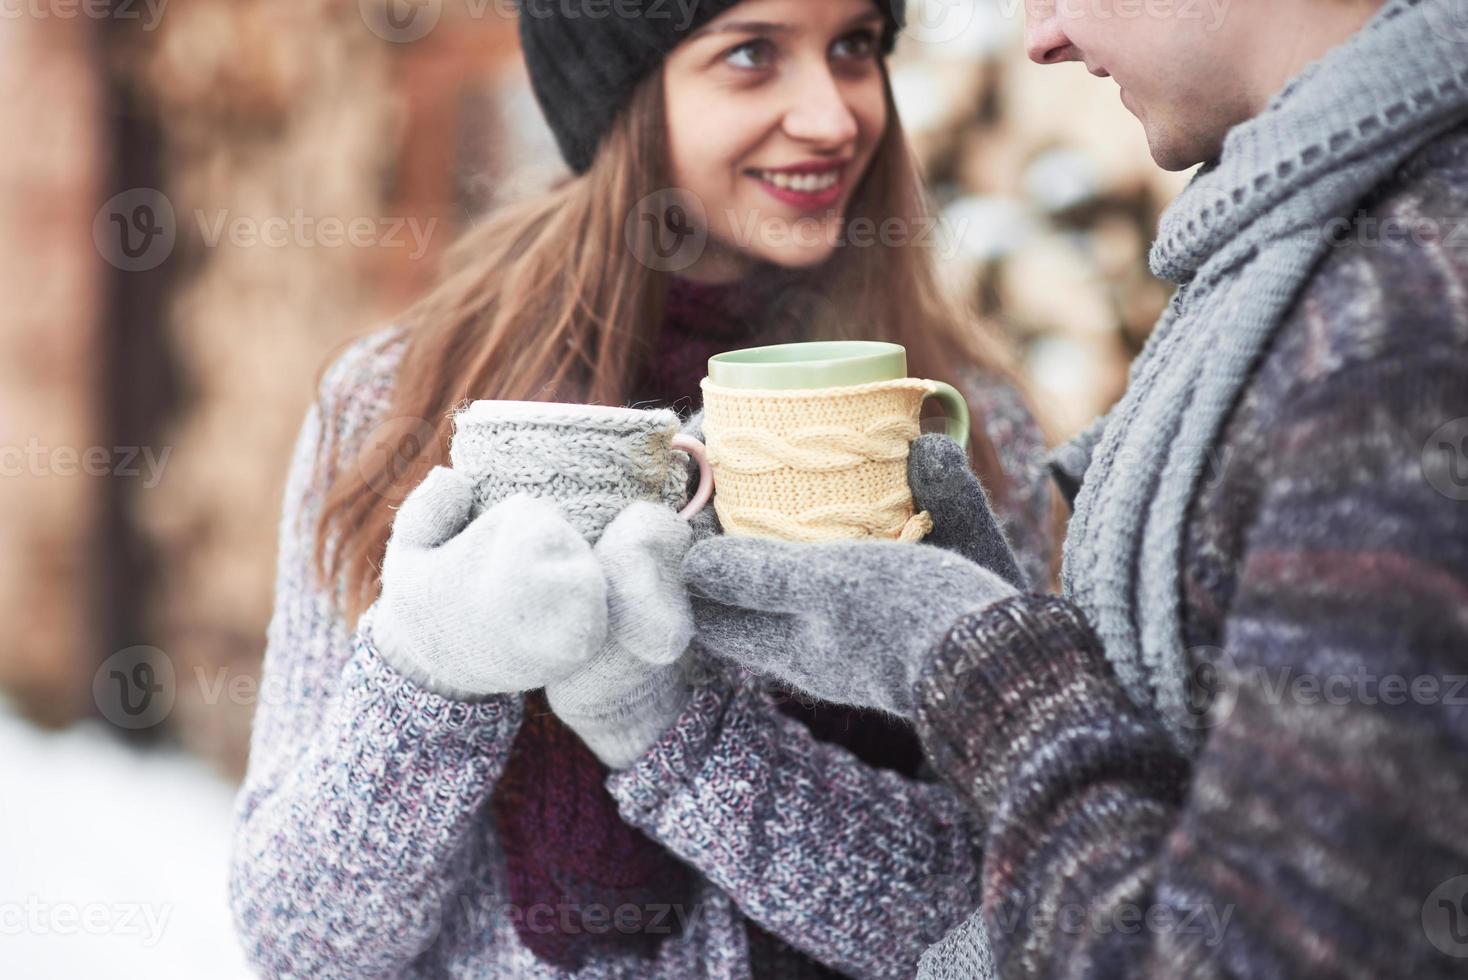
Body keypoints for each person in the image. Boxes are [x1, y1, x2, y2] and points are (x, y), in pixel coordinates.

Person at [227, 0, 1057, 977]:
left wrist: (676, 737)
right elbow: (300, 940)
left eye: (855, 47)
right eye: (750, 54)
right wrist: (426, 675)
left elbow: (1017, 912)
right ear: (620, 96)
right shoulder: (403, 404)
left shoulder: (951, 426)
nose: (834, 117)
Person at [687, 0, 1468, 976]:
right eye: (750, 55)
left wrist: (974, 656)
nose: (1040, 36)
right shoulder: (1306, 270)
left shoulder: (1401, 329)